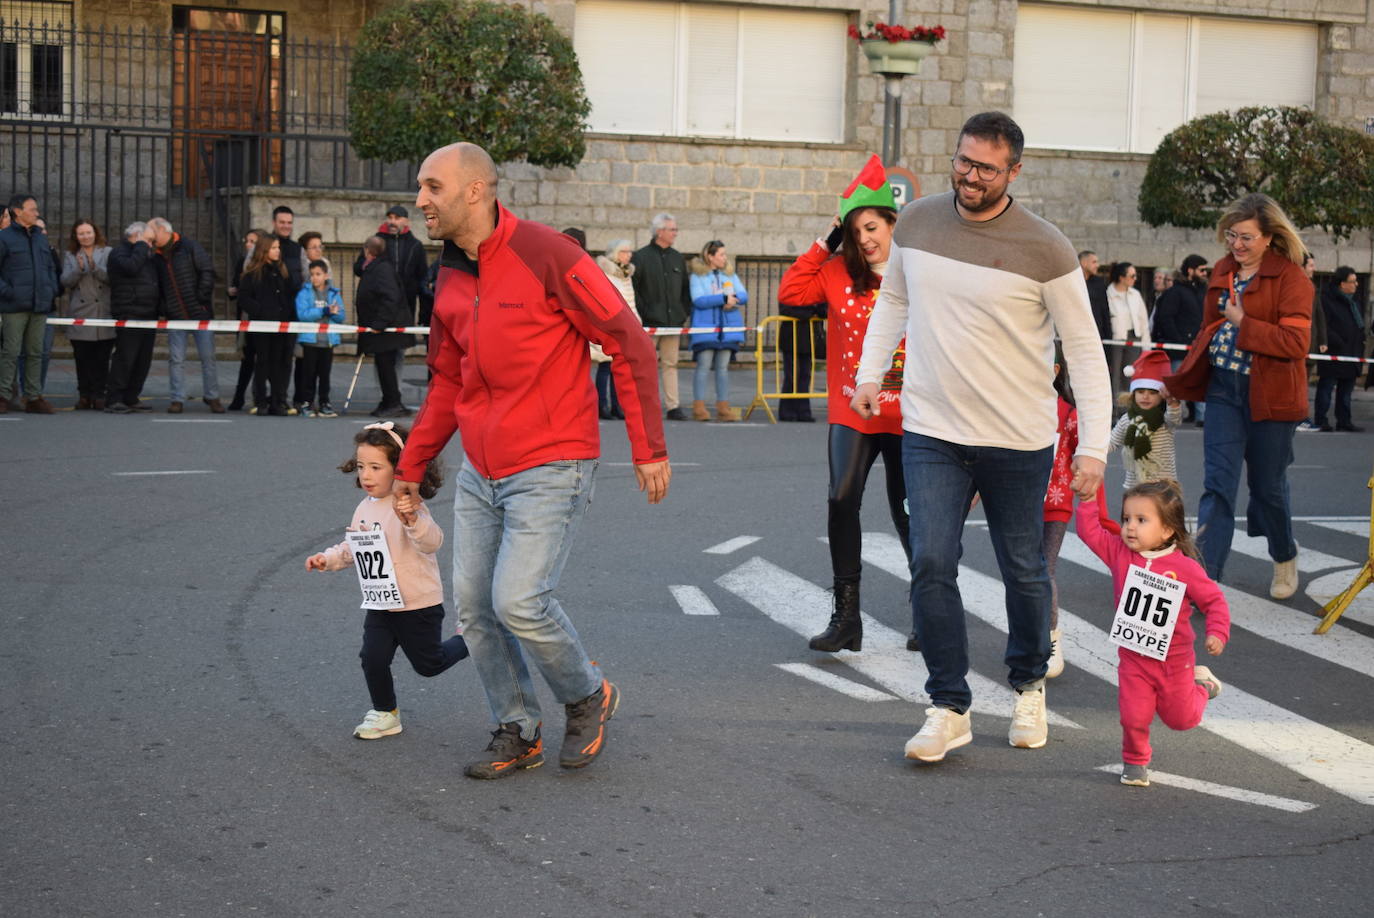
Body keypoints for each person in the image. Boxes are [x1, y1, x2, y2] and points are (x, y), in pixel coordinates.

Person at [394, 141, 670, 779]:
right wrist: (411, 466)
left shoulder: (549, 254)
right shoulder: (450, 272)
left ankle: (587, 694)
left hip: (553, 461)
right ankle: (518, 727)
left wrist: (648, 446)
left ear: (475, 190)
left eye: (433, 186)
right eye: (421, 186)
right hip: (481, 470)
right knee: (475, 610)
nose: (420, 199)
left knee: (519, 601)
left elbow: (628, 342)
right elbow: (447, 379)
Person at [851, 112, 1112, 762]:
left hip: (1019, 438)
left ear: (1014, 172)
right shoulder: (917, 223)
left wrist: (1093, 448)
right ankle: (948, 706)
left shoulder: (1046, 248)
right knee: (930, 561)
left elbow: (1084, 349)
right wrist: (868, 374)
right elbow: (894, 301)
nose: (969, 176)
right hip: (932, 431)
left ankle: (1028, 684)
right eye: (963, 161)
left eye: (986, 169)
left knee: (1023, 568)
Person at [778, 154, 914, 654]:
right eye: (855, 232)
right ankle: (847, 616)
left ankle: (928, 608)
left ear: (893, 223)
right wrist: (828, 239)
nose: (865, 239)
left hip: (909, 412)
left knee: (910, 513)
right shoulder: (837, 272)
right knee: (841, 498)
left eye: (872, 227)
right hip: (852, 408)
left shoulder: (916, 272)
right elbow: (791, 292)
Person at [1164, 192, 1313, 600]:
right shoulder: (1223, 270)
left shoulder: (1292, 278)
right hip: (1223, 390)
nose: (1237, 244)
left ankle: (1284, 554)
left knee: (1268, 488)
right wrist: (1181, 381)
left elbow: (1295, 343)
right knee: (1217, 486)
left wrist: (1244, 322)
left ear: (1269, 237)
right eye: (1231, 235)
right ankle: (1205, 580)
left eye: (1246, 237)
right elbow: (1209, 329)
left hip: (1272, 396)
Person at [305, 422, 469, 740]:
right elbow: (354, 546)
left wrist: (412, 520)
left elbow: (432, 542)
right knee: (372, 657)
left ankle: (469, 639)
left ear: (399, 468)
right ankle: (385, 712)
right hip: (380, 601)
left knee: (429, 665)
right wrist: (328, 559)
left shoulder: (409, 504)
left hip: (417, 603)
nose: (366, 475)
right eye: (361, 466)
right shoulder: (364, 508)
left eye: (376, 467)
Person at [1074, 479, 1229, 788]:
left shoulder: (1184, 567)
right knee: (1133, 715)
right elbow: (1090, 533)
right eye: (1126, 518)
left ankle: (1202, 685)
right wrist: (1088, 501)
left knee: (1182, 719)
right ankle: (1135, 761)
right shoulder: (1119, 553)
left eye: (1141, 520)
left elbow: (1214, 601)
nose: (1130, 527)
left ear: (1167, 530)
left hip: (1175, 661)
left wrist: (1217, 633)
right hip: (1134, 658)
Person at [1042, 346, 1118, 681]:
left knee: (1043, 571)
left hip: (1055, 505)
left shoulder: (1069, 414)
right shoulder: (1014, 412)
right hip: (1016, 502)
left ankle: (1050, 637)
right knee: (1020, 573)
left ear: (1056, 370)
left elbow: (1088, 459)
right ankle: (1027, 636)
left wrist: (1096, 508)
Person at [150, 217, 222, 413]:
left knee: (208, 357)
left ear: (163, 230)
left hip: (200, 313)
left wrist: (201, 298)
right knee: (176, 359)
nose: (150, 236)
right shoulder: (155, 256)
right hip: (175, 315)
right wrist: (164, 308)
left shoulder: (189, 246)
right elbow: (157, 285)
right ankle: (177, 399)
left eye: (152, 231)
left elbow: (207, 271)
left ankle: (212, 396)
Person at [0, 193, 58, 414]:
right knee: (10, 352)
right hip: (14, 306)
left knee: (36, 352)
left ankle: (33, 397)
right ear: (18, 212)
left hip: (39, 304)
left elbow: (49, 267)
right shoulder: (4, 238)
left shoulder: (40, 238)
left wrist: (50, 289)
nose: (37, 213)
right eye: (32, 209)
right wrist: (9, 292)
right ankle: (3, 395)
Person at [631, 212, 693, 420]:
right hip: (649, 323)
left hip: (672, 322)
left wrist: (682, 312)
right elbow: (634, 289)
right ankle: (645, 405)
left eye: (675, 229)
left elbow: (685, 289)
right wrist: (644, 313)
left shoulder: (677, 258)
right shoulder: (641, 257)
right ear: (659, 232)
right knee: (645, 365)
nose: (675, 233)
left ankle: (673, 406)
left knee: (670, 364)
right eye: (672, 229)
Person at [236, 233, 297, 415]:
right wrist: (260, 311)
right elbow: (243, 297)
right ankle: (261, 401)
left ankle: (277, 401)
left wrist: (287, 314)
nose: (277, 251)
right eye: (273, 248)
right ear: (264, 250)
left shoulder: (283, 271)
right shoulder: (253, 273)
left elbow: (289, 295)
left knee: (278, 363)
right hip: (261, 325)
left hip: (280, 325)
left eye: (278, 248)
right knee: (262, 362)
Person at [354, 235, 414, 418]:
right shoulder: (375, 267)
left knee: (386, 367)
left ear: (368, 251)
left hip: (387, 331)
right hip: (383, 330)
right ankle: (389, 400)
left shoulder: (382, 269)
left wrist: (380, 323)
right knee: (384, 367)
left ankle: (393, 402)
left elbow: (390, 297)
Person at [104, 222, 161, 413]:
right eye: (148, 240)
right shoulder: (120, 253)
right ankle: (114, 398)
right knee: (126, 358)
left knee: (143, 360)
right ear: (137, 236)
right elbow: (131, 268)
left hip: (148, 313)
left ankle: (131, 396)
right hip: (129, 311)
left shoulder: (145, 254)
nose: (150, 245)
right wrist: (141, 246)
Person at [687, 239, 746, 422]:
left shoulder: (729, 274)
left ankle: (723, 408)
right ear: (710, 256)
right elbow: (698, 300)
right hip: (706, 328)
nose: (724, 258)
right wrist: (722, 299)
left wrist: (733, 299)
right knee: (703, 366)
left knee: (722, 369)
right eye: (721, 254)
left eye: (724, 254)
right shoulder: (697, 276)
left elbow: (743, 295)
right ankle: (699, 407)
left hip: (727, 328)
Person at [60, 219, 115, 410]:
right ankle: (84, 394)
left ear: (95, 233)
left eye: (88, 232)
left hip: (103, 312)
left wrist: (94, 267)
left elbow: (113, 278)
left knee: (102, 357)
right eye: (81, 233)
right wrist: (79, 269)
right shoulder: (70, 255)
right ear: (76, 236)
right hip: (81, 312)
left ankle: (99, 394)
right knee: (82, 357)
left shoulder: (108, 252)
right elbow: (65, 281)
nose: (85, 236)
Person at [1109, 349, 1182, 488]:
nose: (1145, 396)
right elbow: (1112, 442)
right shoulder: (1127, 419)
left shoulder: (1164, 419)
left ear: (1161, 396)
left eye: (1152, 393)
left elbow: (1174, 418)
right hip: (1136, 484)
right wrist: (1093, 451)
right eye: (1140, 391)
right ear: (1133, 394)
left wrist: (1172, 402)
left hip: (1164, 484)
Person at [1150, 254, 1209, 425]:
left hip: (1198, 346)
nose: (1205, 273)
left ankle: (1201, 416)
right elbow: (1166, 318)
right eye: (1201, 270)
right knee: (1177, 382)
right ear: (1190, 270)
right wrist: (1178, 339)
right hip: (1179, 348)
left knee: (1198, 381)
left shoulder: (1203, 291)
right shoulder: (1175, 292)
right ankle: (1175, 415)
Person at [1313, 266, 1366, 432]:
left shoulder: (1354, 301)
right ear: (1342, 284)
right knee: (1326, 387)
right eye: (1352, 281)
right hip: (1335, 351)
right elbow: (1324, 325)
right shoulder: (1327, 299)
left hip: (1352, 352)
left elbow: (1358, 324)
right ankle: (1321, 419)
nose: (1356, 284)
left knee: (1346, 390)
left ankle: (1344, 420)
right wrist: (1338, 341)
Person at [595, 238, 638, 420]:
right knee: (605, 366)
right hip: (610, 326)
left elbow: (630, 302)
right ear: (615, 253)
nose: (628, 255)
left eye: (629, 252)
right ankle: (601, 405)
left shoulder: (625, 274)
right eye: (624, 251)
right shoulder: (607, 273)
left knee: (618, 369)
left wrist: (636, 323)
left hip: (625, 327)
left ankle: (616, 405)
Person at [295, 258, 344, 418]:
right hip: (311, 341)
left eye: (318, 274)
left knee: (325, 375)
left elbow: (341, 316)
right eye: (312, 274)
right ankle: (307, 403)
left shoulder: (333, 293)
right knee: (308, 374)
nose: (315, 278)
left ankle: (324, 403)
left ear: (326, 275)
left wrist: (334, 313)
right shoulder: (304, 293)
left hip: (327, 341)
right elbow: (303, 315)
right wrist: (323, 311)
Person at [1105, 261, 1152, 404]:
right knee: (1114, 373)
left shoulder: (1135, 294)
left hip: (1134, 337)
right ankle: (1113, 407)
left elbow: (1143, 320)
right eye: (1132, 276)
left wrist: (1146, 346)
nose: (1135, 279)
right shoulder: (1108, 294)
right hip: (1116, 338)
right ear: (1121, 277)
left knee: (1130, 373)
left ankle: (1127, 406)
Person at [227, 229, 262, 411]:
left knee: (261, 360)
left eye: (252, 241)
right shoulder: (243, 262)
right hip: (245, 318)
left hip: (261, 318)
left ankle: (258, 396)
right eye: (247, 241)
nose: (248, 245)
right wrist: (232, 291)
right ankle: (239, 396)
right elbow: (236, 286)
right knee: (247, 359)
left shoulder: (263, 265)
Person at [1296, 252, 1328, 431]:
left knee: (1304, 384)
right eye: (1310, 265)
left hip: (1310, 344)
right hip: (1298, 344)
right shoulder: (1295, 286)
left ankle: (1302, 417)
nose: (1314, 269)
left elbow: (1319, 315)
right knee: (1297, 385)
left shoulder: (1311, 286)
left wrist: (1322, 339)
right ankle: (1298, 418)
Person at [1079, 250, 1112, 341]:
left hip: (1097, 334)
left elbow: (1104, 310)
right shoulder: (1072, 282)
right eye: (1094, 262)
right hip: (1077, 333)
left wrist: (1108, 336)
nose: (1098, 265)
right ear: (1083, 263)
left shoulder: (1099, 283)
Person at [270, 206, 304, 292]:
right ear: (273, 223)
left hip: (292, 299)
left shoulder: (298, 249)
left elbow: (306, 277)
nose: (286, 226)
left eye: (289, 223)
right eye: (282, 222)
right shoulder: (261, 245)